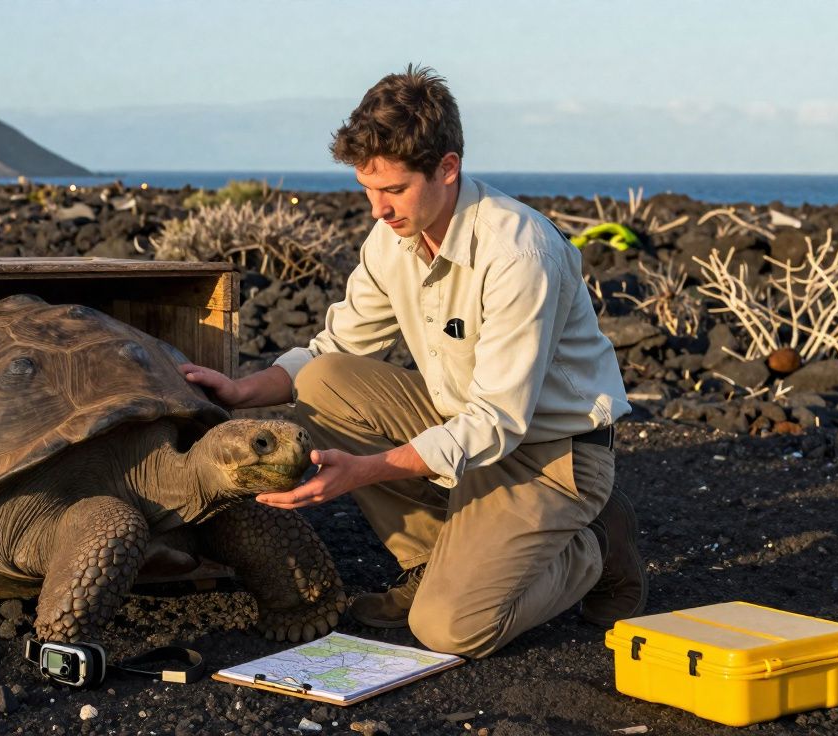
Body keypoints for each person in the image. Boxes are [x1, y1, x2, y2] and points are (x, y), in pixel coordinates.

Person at [179, 65, 645, 658]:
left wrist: (363, 470)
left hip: (550, 455)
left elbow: (500, 422)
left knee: (450, 629)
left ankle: (594, 546)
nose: (377, 209)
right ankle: (436, 561)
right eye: (366, 189)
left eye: (393, 190)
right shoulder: (393, 236)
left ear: (447, 168)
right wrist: (245, 391)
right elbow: (336, 349)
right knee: (323, 382)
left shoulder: (518, 252)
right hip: (465, 430)